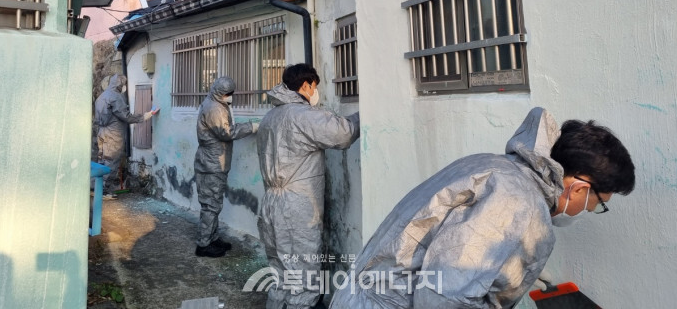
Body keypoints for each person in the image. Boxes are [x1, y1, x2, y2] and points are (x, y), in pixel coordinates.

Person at [328, 106, 635, 308]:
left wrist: (507, 265)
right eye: (597, 204)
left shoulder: (496, 166)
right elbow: (444, 298)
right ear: (580, 188)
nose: (589, 210)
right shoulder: (521, 205)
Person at [257, 63, 361, 309]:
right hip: (297, 205)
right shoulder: (301, 115)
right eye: (315, 87)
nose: (316, 93)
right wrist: (364, 112)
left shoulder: (271, 116)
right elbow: (343, 133)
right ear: (305, 86)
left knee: (281, 272)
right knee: (303, 274)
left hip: (271, 202)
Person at [194, 76, 259, 258]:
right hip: (211, 164)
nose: (230, 97)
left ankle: (212, 238)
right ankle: (204, 244)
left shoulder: (216, 103)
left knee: (214, 203)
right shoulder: (214, 108)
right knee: (210, 206)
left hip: (215, 163)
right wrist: (251, 127)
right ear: (219, 93)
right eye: (227, 94)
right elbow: (227, 132)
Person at [94, 74, 159, 194]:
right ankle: (104, 191)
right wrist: (145, 116)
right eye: (124, 84)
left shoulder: (102, 96)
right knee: (111, 161)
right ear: (120, 84)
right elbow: (126, 116)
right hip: (113, 134)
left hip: (102, 132)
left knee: (102, 160)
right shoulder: (115, 97)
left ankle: (97, 187)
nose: (124, 87)